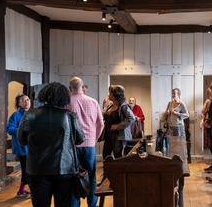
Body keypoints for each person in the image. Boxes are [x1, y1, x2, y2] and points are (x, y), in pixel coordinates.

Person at [17, 82, 85, 207]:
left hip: (37, 170)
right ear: (64, 97)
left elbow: (21, 140)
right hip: (64, 169)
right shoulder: (69, 116)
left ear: (44, 95)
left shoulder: (30, 114)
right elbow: (80, 139)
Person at [69, 77, 104, 207]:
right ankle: (92, 204)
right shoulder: (93, 101)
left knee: (73, 177)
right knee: (91, 176)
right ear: (82, 87)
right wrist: (94, 138)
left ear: (70, 88)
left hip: (73, 146)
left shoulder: (67, 102)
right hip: (89, 144)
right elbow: (101, 123)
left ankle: (75, 204)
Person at [163, 88, 189, 207]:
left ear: (179, 94)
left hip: (179, 128)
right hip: (170, 127)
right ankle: (171, 159)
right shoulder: (169, 103)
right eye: (172, 93)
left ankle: (180, 162)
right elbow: (165, 114)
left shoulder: (181, 103)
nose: (173, 95)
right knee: (171, 146)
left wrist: (178, 113)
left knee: (179, 146)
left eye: (175, 93)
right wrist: (166, 113)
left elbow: (186, 115)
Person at [6, 93, 31, 197]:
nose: (27, 102)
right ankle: (22, 191)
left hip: (32, 148)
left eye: (28, 100)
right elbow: (10, 129)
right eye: (24, 100)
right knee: (26, 170)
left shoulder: (32, 113)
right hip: (22, 148)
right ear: (19, 103)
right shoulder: (15, 115)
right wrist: (22, 130)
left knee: (30, 170)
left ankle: (22, 191)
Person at [102, 85, 135, 159]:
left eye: (110, 93)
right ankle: (109, 170)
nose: (108, 95)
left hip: (119, 136)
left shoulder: (124, 106)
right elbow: (105, 117)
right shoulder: (110, 105)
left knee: (119, 157)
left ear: (115, 95)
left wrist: (117, 126)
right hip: (109, 135)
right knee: (106, 155)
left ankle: (118, 170)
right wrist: (104, 108)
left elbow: (132, 118)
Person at [201, 88, 212, 162]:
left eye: (210, 93)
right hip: (208, 123)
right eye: (208, 93)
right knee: (210, 143)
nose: (209, 95)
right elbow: (203, 111)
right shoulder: (208, 101)